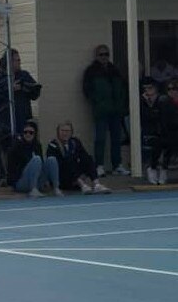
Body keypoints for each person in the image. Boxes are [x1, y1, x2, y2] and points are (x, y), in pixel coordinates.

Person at [82, 45, 129, 177]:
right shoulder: (91, 71)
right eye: (101, 54)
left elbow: (123, 88)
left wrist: (122, 104)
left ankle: (117, 165)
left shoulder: (115, 70)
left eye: (106, 54)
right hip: (101, 110)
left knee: (116, 139)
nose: (104, 57)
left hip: (116, 110)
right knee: (100, 138)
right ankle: (99, 165)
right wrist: (97, 101)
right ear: (96, 56)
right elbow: (87, 89)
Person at [0, 49, 42, 144]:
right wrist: (9, 89)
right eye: (16, 60)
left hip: (22, 119)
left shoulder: (24, 75)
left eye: (19, 60)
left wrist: (28, 88)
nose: (19, 62)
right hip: (5, 121)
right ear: (9, 62)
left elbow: (34, 94)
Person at [46, 122, 110, 194]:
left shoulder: (75, 142)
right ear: (58, 132)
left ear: (71, 132)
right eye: (62, 131)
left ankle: (96, 184)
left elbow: (84, 156)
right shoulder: (53, 144)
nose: (65, 133)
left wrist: (82, 174)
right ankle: (81, 184)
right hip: (62, 178)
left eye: (67, 131)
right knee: (68, 160)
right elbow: (57, 165)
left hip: (75, 175)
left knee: (88, 158)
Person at [7, 120, 62, 198]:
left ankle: (56, 188)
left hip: (37, 179)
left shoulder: (37, 145)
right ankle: (33, 189)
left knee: (51, 159)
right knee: (36, 159)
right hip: (21, 181)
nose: (28, 134)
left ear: (35, 133)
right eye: (25, 132)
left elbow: (41, 164)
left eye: (31, 132)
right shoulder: (16, 146)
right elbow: (12, 170)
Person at [140, 77, 178, 185]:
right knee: (161, 142)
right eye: (170, 89)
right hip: (159, 131)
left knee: (170, 141)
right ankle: (153, 168)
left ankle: (164, 169)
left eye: (175, 89)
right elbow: (153, 117)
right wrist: (149, 103)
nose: (172, 91)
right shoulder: (162, 101)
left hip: (172, 131)